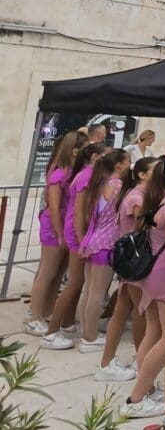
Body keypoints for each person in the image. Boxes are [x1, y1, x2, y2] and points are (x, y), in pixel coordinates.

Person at [123, 157, 165, 418]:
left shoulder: (163, 200)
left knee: (153, 332)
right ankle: (136, 397)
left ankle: (145, 387)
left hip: (153, 273)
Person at [96, 156, 157, 382]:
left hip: (130, 263)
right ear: (142, 174)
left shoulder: (135, 194)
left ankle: (107, 361)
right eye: (155, 170)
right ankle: (142, 360)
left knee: (122, 311)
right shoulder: (137, 198)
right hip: (135, 262)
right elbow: (146, 226)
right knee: (139, 312)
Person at [41, 143, 106, 349]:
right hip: (77, 235)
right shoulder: (87, 177)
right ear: (95, 157)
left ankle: (67, 323)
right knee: (74, 283)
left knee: (78, 284)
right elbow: (78, 212)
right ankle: (51, 332)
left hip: (78, 233)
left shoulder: (86, 174)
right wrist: (82, 240)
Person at [26, 131, 85, 335]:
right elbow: (53, 206)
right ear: (75, 151)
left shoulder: (73, 173)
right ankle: (34, 317)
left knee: (58, 274)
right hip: (53, 226)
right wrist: (60, 234)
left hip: (64, 227)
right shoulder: (59, 173)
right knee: (47, 272)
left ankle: (47, 311)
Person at [77, 149, 131, 353]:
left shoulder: (101, 184)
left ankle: (86, 332)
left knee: (89, 291)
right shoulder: (117, 186)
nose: (130, 165)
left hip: (93, 240)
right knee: (97, 293)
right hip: (106, 243)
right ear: (119, 165)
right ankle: (89, 338)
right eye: (128, 161)